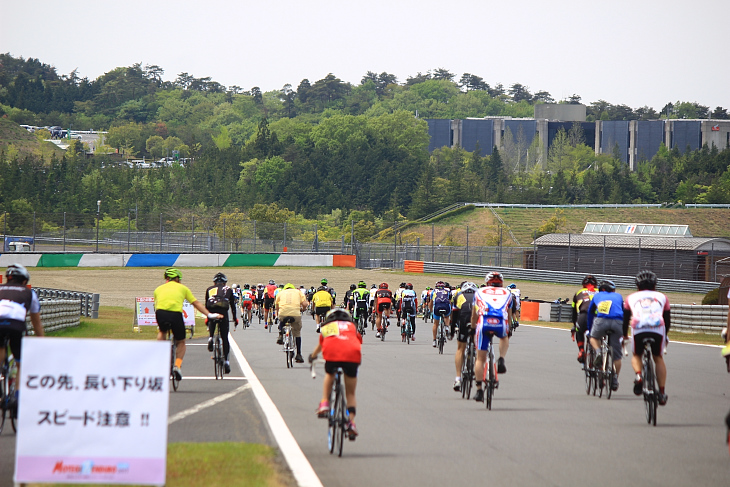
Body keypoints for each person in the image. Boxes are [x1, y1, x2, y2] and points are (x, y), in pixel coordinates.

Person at [154, 268, 222, 380]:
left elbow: (156, 304)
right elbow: (196, 303)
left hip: (161, 313)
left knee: (162, 331)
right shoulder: (183, 288)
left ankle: (159, 354)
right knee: (181, 341)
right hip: (175, 314)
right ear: (176, 278)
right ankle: (177, 365)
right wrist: (209, 315)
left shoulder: (158, 289)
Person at [309, 308, 362, 440]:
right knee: (350, 393)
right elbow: (359, 341)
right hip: (352, 355)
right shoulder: (352, 326)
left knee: (330, 373)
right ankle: (351, 423)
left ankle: (325, 402)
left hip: (332, 354)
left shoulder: (328, 326)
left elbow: (321, 345)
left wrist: (312, 356)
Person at [0, 264, 44, 413]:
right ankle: (17, 400)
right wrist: (42, 342)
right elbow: (36, 322)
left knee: (1, 352)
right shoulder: (29, 293)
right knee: (21, 365)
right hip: (15, 325)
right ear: (24, 281)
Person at [623, 270, 670, 405]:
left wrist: (624, 334)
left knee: (637, 355)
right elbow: (667, 319)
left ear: (637, 286)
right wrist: (665, 335)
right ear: (655, 285)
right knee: (658, 358)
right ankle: (661, 393)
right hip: (657, 328)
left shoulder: (630, 297)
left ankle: (639, 375)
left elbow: (626, 319)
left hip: (639, 328)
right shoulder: (662, 297)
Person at [471, 272, 512, 402]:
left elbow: (474, 315)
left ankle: (478, 389)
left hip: (484, 322)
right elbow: (509, 315)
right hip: (500, 322)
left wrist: (472, 328)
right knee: (504, 337)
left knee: (480, 359)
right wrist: (508, 329)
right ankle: (501, 358)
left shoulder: (479, 291)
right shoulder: (507, 293)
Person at [586, 280, 624, 391]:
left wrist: (590, 328)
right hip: (618, 322)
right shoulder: (618, 296)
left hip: (602, 320)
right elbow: (623, 311)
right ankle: (615, 378)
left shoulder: (597, 296)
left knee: (593, 337)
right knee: (617, 356)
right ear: (613, 290)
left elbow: (590, 313)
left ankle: (598, 352)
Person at [205, 272, 238, 374]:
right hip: (223, 312)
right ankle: (227, 362)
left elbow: (206, 305)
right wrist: (235, 318)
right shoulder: (228, 289)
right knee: (224, 338)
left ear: (214, 282)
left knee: (212, 318)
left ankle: (210, 337)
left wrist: (207, 317)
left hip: (211, 309)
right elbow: (232, 306)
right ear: (225, 282)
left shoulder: (209, 289)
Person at [452, 282, 478, 392]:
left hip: (463, 320)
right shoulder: (479, 295)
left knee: (460, 349)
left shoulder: (458, 295)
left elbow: (455, 315)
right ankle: (478, 374)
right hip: (476, 320)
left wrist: (452, 330)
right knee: (479, 348)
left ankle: (458, 378)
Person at [275, 283, 308, 362]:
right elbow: (304, 304)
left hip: (283, 313)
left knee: (282, 319)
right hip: (295, 314)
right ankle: (299, 354)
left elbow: (276, 306)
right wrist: (303, 309)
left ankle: (280, 334)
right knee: (297, 333)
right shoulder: (298, 292)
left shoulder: (280, 293)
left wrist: (278, 311)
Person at [571, 275, 598, 363]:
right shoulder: (601, 292)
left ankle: (581, 350)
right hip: (598, 316)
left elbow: (574, 311)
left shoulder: (578, 293)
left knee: (579, 330)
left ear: (583, 285)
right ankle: (602, 351)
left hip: (584, 315)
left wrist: (574, 324)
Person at [431, 281, 452, 348]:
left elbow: (431, 302)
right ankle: (446, 327)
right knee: (447, 316)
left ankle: (434, 340)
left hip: (437, 307)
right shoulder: (447, 291)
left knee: (435, 324)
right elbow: (450, 302)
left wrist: (431, 309)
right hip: (446, 307)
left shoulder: (433, 291)